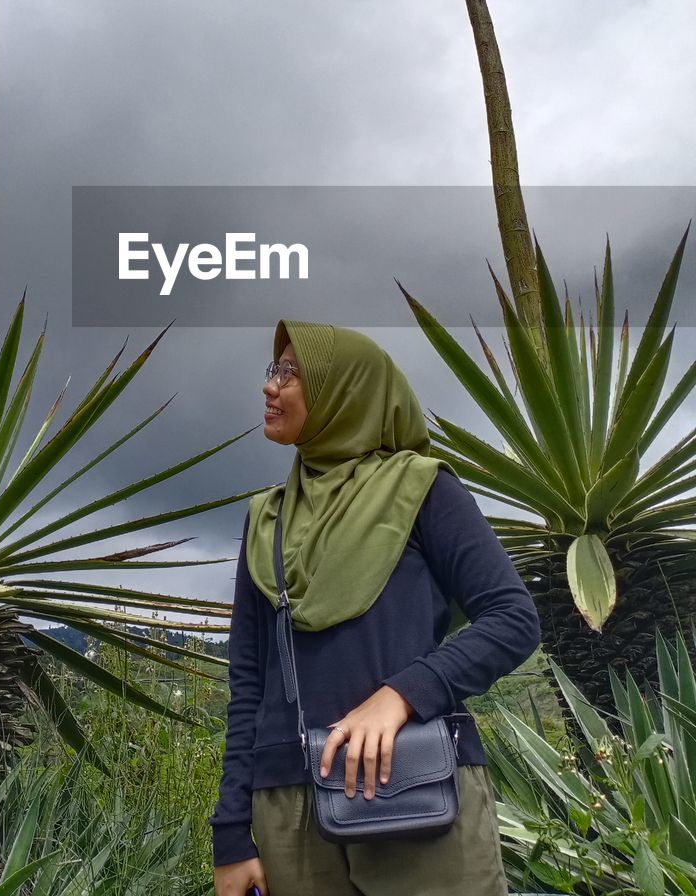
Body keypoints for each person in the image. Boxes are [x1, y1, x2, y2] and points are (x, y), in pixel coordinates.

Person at [209, 319, 542, 896]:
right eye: (274, 370)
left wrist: (402, 696)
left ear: (346, 390)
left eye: (291, 373)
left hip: (417, 790)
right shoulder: (267, 519)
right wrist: (232, 834)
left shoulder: (425, 490)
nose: (271, 386)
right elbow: (248, 685)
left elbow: (513, 619)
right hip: (290, 814)